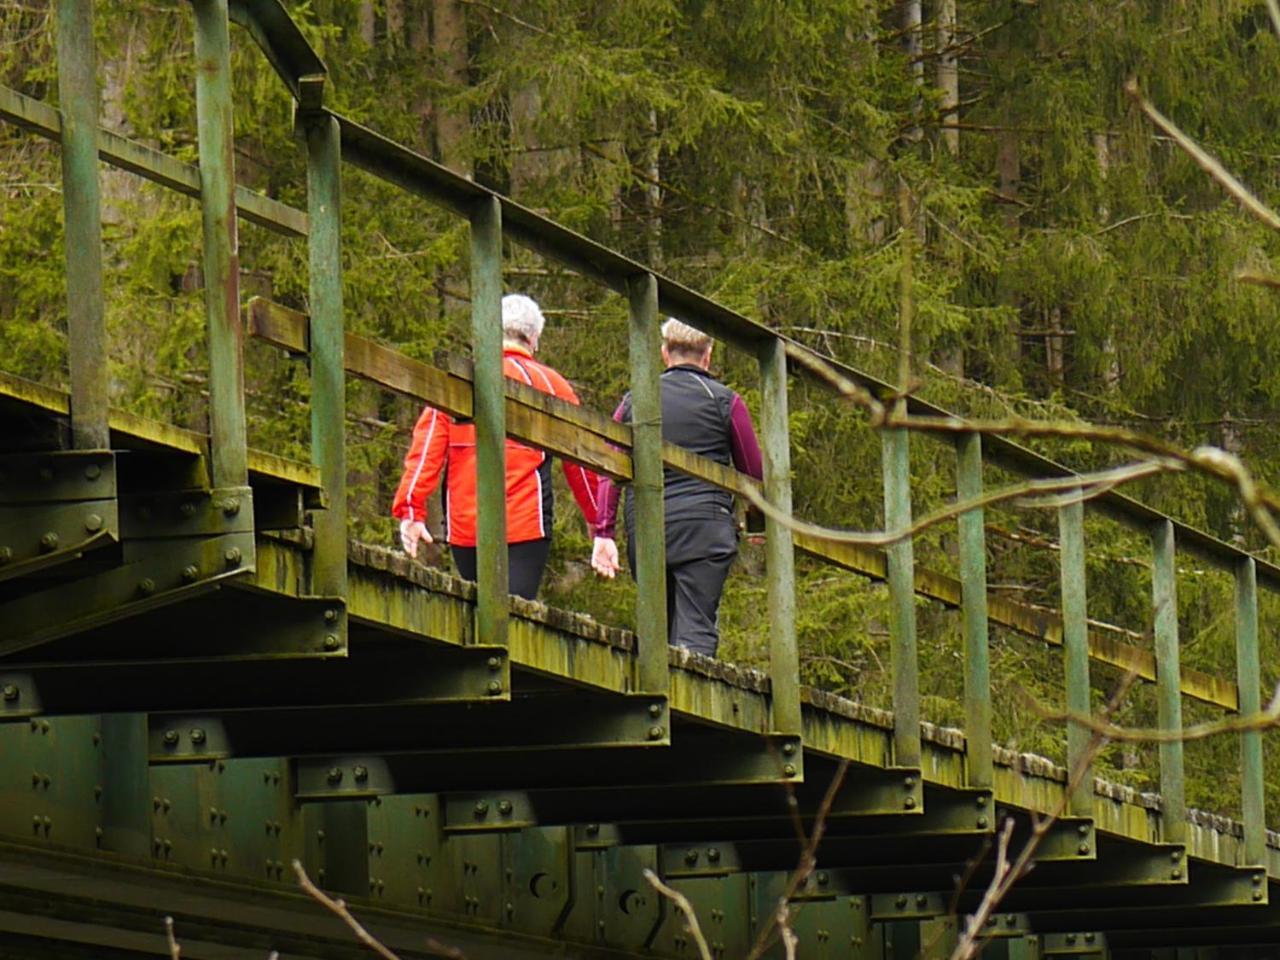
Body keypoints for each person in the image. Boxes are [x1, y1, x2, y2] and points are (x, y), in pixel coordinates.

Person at [392, 294, 600, 600]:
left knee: (479, 615)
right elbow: (581, 462)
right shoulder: (552, 384)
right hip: (526, 526)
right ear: (533, 339)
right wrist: (598, 521)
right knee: (514, 615)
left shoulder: (460, 381)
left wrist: (411, 508)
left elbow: (426, 449)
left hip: (467, 527)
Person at [590, 318, 763, 657]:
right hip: (706, 528)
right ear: (708, 355)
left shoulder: (635, 400)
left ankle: (660, 698)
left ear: (664, 353)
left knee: (658, 625)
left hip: (650, 528)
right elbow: (752, 472)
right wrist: (759, 523)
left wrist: (604, 531)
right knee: (696, 625)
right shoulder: (725, 400)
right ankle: (687, 705)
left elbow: (609, 465)